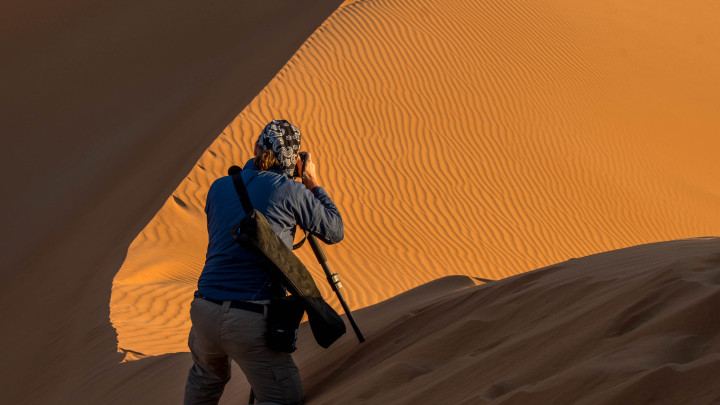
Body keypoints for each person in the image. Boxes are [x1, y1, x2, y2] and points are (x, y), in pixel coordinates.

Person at [184, 119, 344, 405]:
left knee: (205, 380)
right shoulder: (290, 191)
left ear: (257, 147)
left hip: (204, 311)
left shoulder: (218, 187)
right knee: (283, 398)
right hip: (250, 317)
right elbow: (334, 230)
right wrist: (312, 183)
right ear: (295, 160)